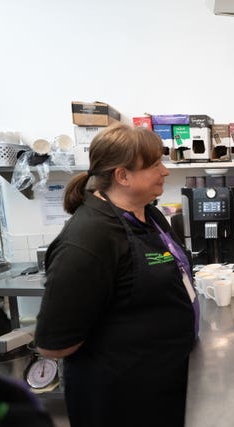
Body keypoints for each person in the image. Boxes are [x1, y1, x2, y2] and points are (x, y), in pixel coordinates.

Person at [35, 124, 198, 427]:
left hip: (165, 388)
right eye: (154, 165)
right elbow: (54, 343)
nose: (164, 171)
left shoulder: (149, 214)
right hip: (122, 402)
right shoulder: (88, 239)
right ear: (123, 176)